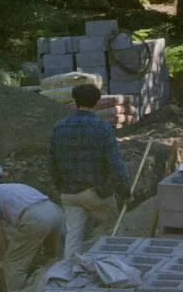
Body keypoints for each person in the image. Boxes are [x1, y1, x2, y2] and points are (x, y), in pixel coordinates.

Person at [48, 83, 132, 256]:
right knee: (112, 230)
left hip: (69, 194)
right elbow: (114, 164)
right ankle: (111, 267)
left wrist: (61, 186)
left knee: (73, 238)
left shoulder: (59, 127)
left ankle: (70, 270)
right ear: (96, 102)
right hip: (96, 192)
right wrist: (125, 192)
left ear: (75, 101)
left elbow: (51, 163)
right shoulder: (102, 127)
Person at [0, 180, 64, 292]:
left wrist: (5, 255)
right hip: (55, 211)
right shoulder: (15, 188)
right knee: (51, 256)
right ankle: (56, 284)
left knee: (13, 264)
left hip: (37, 218)